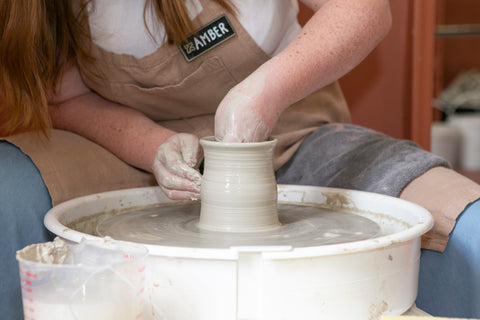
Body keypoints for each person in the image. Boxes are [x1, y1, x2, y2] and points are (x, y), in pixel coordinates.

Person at [0, 0, 479, 319]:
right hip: (131, 150)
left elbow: (366, 8)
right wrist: (152, 146)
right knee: (8, 192)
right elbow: (62, 97)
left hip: (291, 130)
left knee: (466, 224)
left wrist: (263, 93)